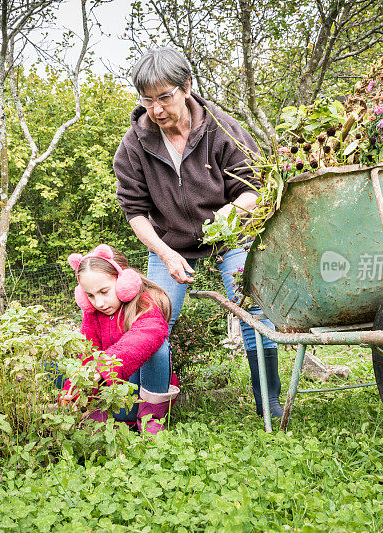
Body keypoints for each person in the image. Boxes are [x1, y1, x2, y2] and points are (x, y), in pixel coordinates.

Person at [114, 47, 283, 418]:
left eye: (164, 97)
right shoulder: (133, 146)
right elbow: (135, 211)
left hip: (230, 234)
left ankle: (269, 405)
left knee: (254, 311)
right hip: (169, 240)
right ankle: (148, 411)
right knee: (153, 321)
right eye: (147, 100)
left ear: (186, 87)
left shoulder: (222, 129)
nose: (156, 109)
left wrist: (224, 221)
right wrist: (165, 253)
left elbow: (252, 188)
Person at [61, 244, 179, 434]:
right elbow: (86, 356)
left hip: (142, 397)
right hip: (115, 399)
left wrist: (104, 367)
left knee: (159, 347)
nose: (98, 302)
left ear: (125, 281)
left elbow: (147, 334)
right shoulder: (93, 315)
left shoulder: (145, 303)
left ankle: (151, 422)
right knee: (56, 364)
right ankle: (105, 421)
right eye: (90, 295)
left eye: (104, 291)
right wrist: (72, 393)